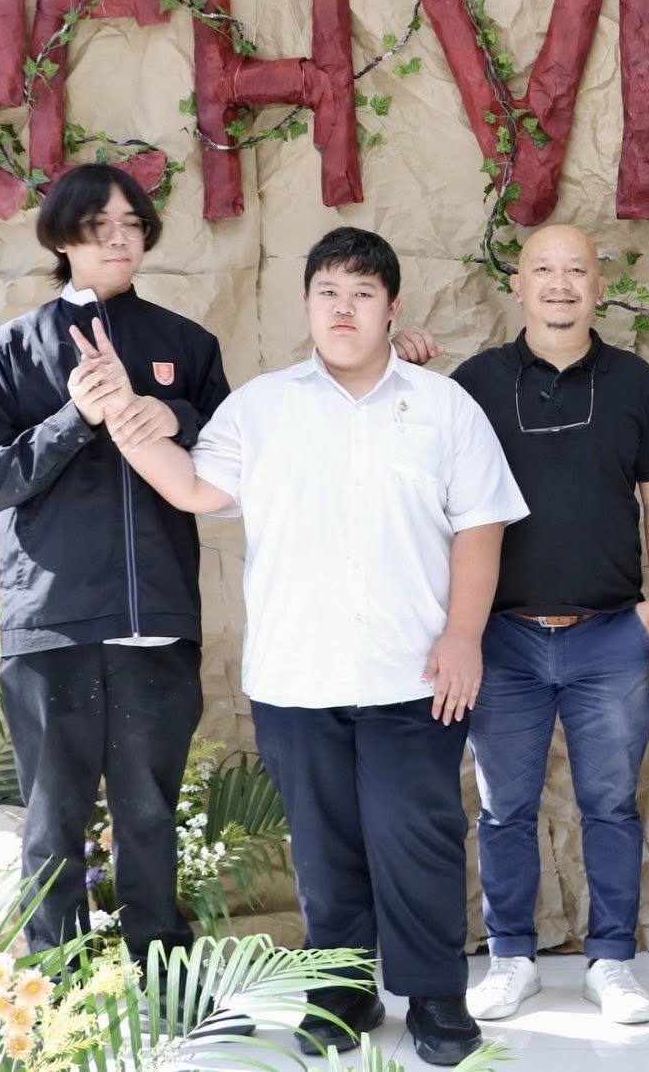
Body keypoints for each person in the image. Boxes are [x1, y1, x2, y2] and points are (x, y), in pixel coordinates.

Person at [110, 226, 528, 1067]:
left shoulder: (443, 406)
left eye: (363, 293)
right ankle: (341, 992)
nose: (345, 308)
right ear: (306, 303)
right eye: (329, 291)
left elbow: (481, 526)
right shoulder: (261, 407)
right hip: (296, 675)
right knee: (324, 847)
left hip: (415, 674)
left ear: (392, 307)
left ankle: (437, 998)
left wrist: (463, 636)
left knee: (419, 838)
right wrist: (122, 417)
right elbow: (193, 486)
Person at [0, 162, 227, 970]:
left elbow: (232, 454)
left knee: (149, 812)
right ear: (62, 236)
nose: (119, 238)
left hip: (158, 620)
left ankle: (162, 979)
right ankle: (59, 986)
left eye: (132, 224)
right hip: (54, 622)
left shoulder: (187, 344)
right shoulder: (12, 349)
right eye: (99, 225)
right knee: (53, 820)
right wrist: (76, 415)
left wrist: (170, 412)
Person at [445, 224, 649, 1025]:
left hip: (609, 632)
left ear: (598, 286)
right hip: (503, 637)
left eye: (575, 269)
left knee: (610, 805)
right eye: (542, 268)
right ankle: (511, 955)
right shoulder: (474, 383)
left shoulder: (634, 381)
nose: (559, 283)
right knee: (504, 807)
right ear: (517, 284)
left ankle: (611, 961)